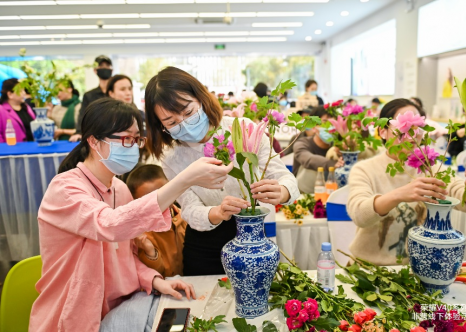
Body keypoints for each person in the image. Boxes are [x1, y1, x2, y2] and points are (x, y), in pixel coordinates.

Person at [29, 98, 232, 331]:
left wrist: (154, 280)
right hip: (73, 314)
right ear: (94, 141)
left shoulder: (119, 188)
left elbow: (125, 255)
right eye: (126, 139)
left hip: (119, 309)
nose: (134, 146)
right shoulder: (64, 189)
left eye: (137, 139)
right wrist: (182, 181)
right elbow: (109, 225)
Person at [144, 66, 300, 276]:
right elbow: (189, 209)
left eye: (188, 112)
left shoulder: (242, 128)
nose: (185, 124)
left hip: (253, 236)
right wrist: (217, 212)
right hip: (205, 246)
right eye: (171, 122)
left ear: (201, 99)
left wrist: (282, 191)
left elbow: (284, 177)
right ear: (160, 126)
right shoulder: (172, 157)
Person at [347, 98, 466, 266]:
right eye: (405, 126)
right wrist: (399, 195)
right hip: (367, 269)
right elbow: (359, 215)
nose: (413, 133)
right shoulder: (365, 169)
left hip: (417, 270)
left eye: (418, 126)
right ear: (382, 131)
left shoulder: (432, 168)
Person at [127, 164, 187, 277]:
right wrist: (150, 253)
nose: (159, 205)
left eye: (163, 195)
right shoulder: (141, 235)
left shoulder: (186, 217)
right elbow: (153, 276)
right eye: (149, 201)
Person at [70, 55, 113, 142]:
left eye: (107, 66)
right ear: (95, 70)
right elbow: (83, 116)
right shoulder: (89, 96)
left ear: (112, 70)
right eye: (101, 66)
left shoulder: (117, 94)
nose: (104, 68)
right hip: (96, 137)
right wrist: (79, 132)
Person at [0, 78, 35, 143]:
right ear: (10, 94)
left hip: (31, 148)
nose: (24, 93)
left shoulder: (26, 107)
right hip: (12, 150)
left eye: (24, 90)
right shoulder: (1, 110)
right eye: (21, 91)